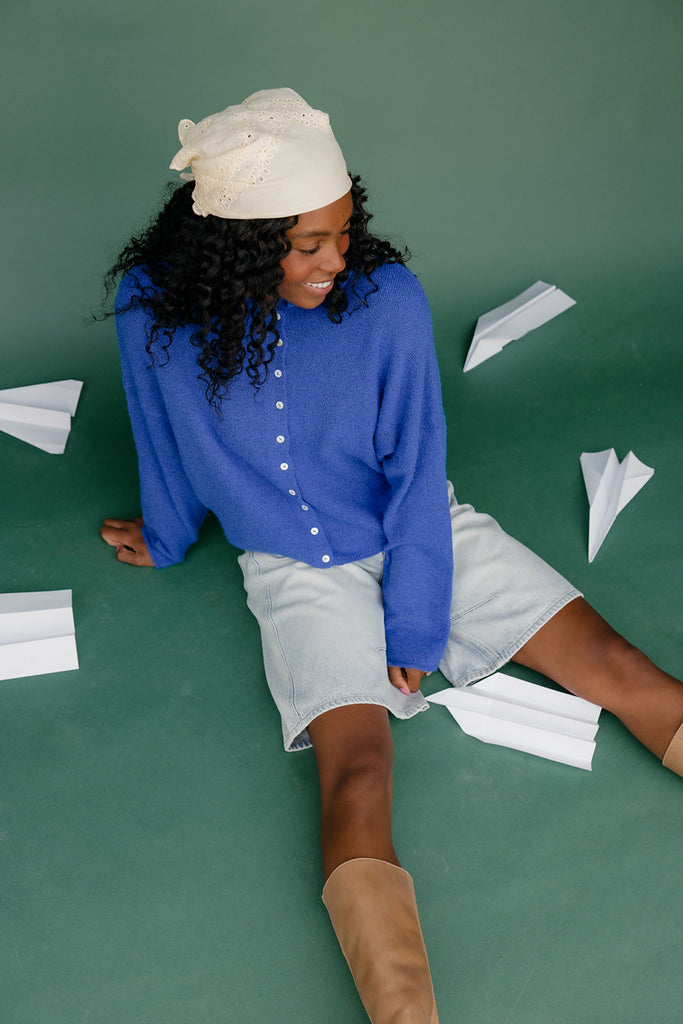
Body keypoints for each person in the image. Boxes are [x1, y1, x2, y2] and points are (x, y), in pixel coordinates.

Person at [101, 88, 683, 1024]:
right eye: (307, 243)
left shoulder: (384, 302)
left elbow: (418, 471)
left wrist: (414, 613)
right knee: (359, 775)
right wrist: (167, 537)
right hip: (290, 571)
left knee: (619, 668)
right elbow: (158, 436)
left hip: (420, 528)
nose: (337, 259)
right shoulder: (153, 313)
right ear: (238, 245)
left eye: (343, 230)